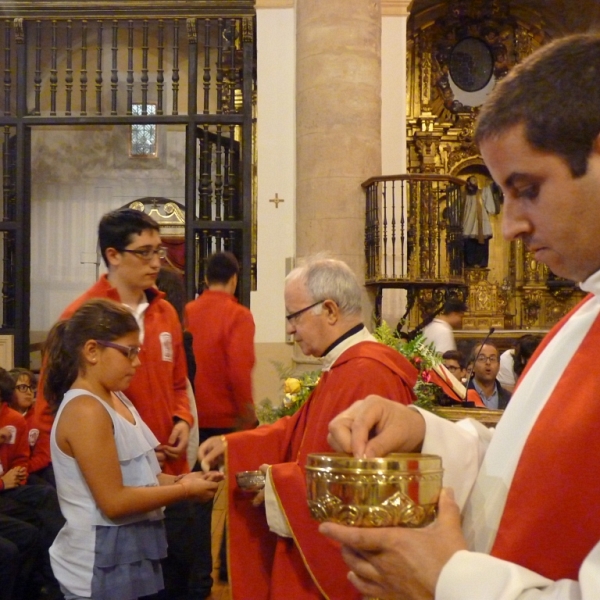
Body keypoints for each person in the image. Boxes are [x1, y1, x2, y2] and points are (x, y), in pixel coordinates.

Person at [318, 33, 600, 600]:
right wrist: (424, 432)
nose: (513, 227)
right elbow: (533, 472)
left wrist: (448, 582)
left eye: (528, 190)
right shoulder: (585, 314)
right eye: (502, 195)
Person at [198, 256, 419, 600]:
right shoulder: (348, 367)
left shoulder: (366, 373)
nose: (289, 329)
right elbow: (300, 431)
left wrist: (275, 482)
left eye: (294, 316)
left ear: (329, 311)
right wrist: (236, 444)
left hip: (333, 567)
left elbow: (354, 485)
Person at [32, 208, 211, 599]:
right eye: (145, 252)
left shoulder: (164, 311)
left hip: (159, 477)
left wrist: (181, 419)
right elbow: (52, 403)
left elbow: (180, 383)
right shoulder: (83, 318)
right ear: (113, 255)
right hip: (112, 511)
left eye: (159, 251)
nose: (156, 262)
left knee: (181, 580)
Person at [43, 298, 222, 600]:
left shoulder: (117, 399)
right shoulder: (85, 409)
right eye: (129, 352)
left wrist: (181, 480)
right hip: (99, 561)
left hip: (126, 550)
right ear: (91, 351)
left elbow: (142, 478)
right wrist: (185, 491)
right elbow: (114, 501)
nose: (137, 362)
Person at [185, 251, 257, 584]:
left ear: (205, 279)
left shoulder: (187, 312)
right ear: (234, 279)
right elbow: (238, 371)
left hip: (194, 418)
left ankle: (198, 576)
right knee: (238, 495)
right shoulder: (239, 315)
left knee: (197, 497)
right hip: (229, 419)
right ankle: (230, 568)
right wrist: (249, 417)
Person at [462, 175, 498, 268]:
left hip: (481, 223)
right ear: (468, 183)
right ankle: (469, 263)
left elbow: (491, 208)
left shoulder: (483, 192)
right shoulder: (464, 195)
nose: (474, 182)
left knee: (481, 244)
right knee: (469, 244)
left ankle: (480, 263)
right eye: (472, 180)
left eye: (475, 180)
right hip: (468, 223)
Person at [466, 342, 511, 409]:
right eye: (482, 358)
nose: (488, 362)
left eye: (492, 359)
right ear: (472, 366)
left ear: (499, 366)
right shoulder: (461, 392)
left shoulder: (509, 399)